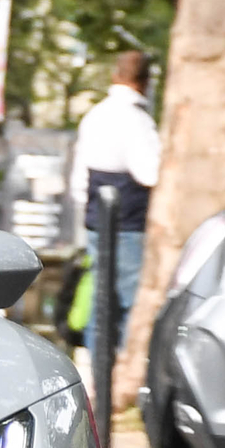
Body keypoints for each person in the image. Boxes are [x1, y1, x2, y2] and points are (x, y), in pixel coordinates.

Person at [73, 49, 161, 348]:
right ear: (145, 82)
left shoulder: (94, 115)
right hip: (129, 224)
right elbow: (150, 173)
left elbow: (79, 178)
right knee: (130, 303)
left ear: (115, 76)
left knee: (100, 303)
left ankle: (96, 375)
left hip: (96, 222)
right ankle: (123, 373)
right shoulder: (137, 121)